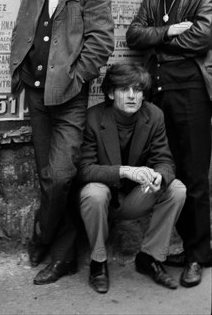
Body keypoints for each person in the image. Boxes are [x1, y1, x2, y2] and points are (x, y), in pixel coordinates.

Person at [10, 0, 114, 285]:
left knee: (61, 176)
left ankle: (42, 234)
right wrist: (20, 69)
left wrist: (78, 77)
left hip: (69, 97)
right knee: (46, 174)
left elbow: (101, 41)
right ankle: (64, 258)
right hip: (37, 94)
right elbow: (23, 28)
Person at [126, 0, 212, 287]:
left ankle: (198, 256)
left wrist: (162, 41)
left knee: (194, 176)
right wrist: (166, 32)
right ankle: (185, 247)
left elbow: (204, 35)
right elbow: (133, 34)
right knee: (169, 171)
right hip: (159, 91)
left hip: (191, 91)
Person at [78, 62, 186, 294]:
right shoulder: (94, 118)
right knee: (93, 193)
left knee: (176, 189)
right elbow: (84, 169)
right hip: (103, 197)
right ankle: (98, 262)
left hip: (136, 197)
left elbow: (165, 161)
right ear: (109, 92)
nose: (132, 96)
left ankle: (149, 258)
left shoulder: (154, 115)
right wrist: (124, 170)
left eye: (137, 90)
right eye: (124, 89)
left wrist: (159, 176)